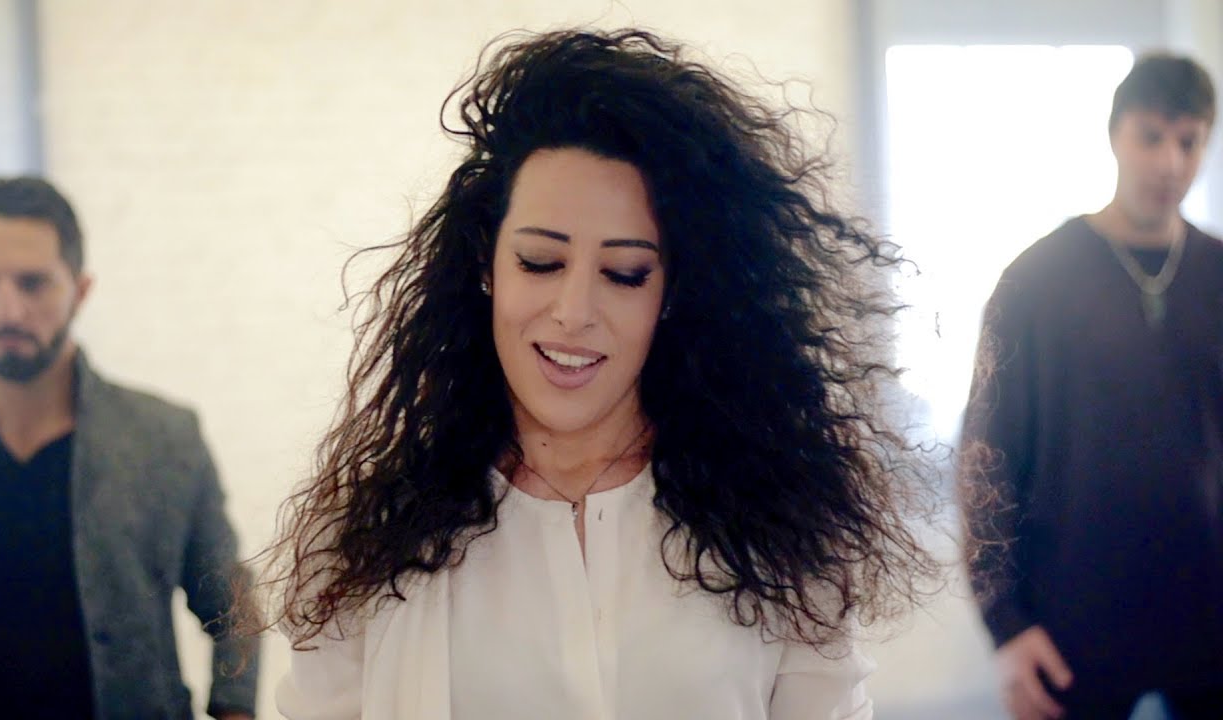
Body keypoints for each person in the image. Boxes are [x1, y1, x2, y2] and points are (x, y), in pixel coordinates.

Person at [265, 28, 933, 719]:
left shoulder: (780, 528)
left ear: (671, 292)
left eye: (624, 273)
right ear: (485, 265)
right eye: (540, 262)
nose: (574, 312)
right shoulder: (367, 536)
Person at [961, 52, 1223, 720]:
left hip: (1208, 612)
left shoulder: (1218, 273)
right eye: (1150, 137)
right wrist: (1005, 623)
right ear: (1114, 135)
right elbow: (985, 455)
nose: (1169, 163)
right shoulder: (1035, 280)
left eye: (1189, 141)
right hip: (1072, 616)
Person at [0, 176, 260, 718]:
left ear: (80, 289)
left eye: (32, 283)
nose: (7, 310)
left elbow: (233, 606)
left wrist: (235, 710)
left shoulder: (163, 439)